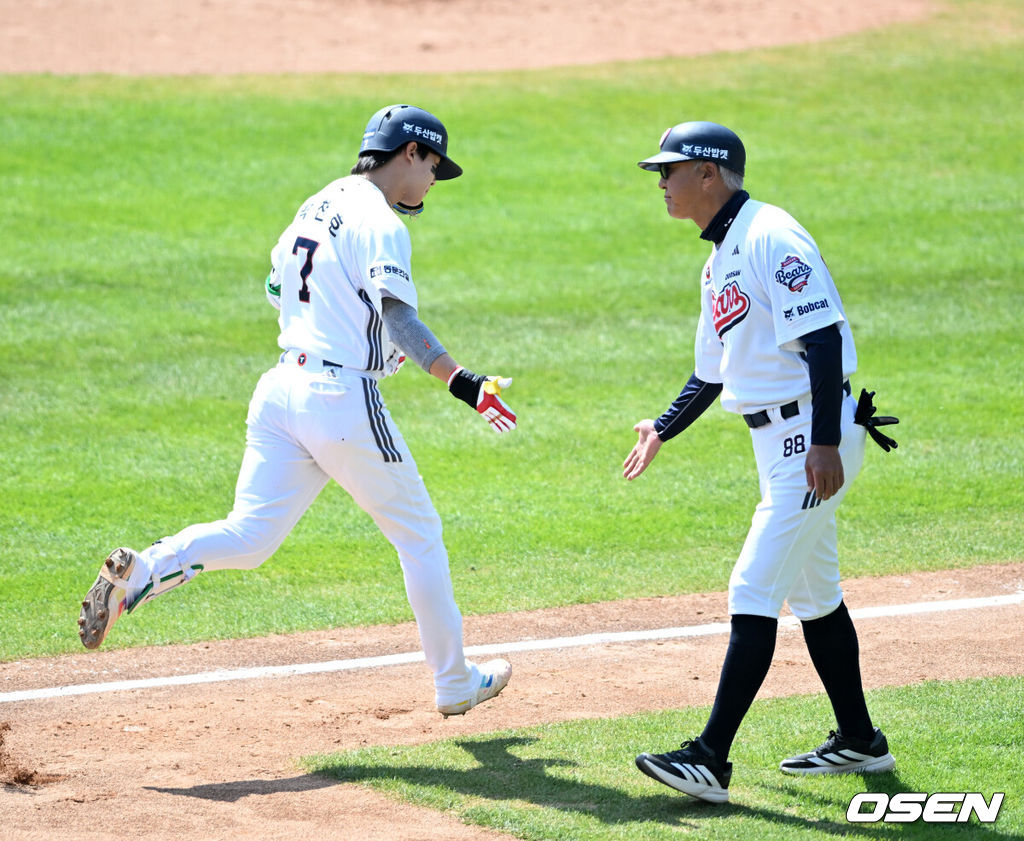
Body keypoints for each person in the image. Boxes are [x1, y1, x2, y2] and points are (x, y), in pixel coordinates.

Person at [78, 104, 516, 718]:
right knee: (420, 536)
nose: (433, 182)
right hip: (340, 401)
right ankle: (454, 682)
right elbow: (398, 317)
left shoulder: (317, 203)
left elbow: (276, 288)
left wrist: (347, 328)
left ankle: (143, 570)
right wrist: (464, 383)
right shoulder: (381, 222)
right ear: (411, 152)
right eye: (433, 167)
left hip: (282, 389)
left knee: (250, 535)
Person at [625, 121, 899, 803]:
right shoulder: (719, 258)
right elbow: (711, 371)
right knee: (815, 596)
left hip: (809, 439)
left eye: (670, 170)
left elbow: (823, 338)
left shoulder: (772, 235)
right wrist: (662, 429)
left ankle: (709, 758)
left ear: (709, 173)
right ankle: (860, 740)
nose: (661, 183)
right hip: (781, 442)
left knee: (752, 589)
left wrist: (826, 442)